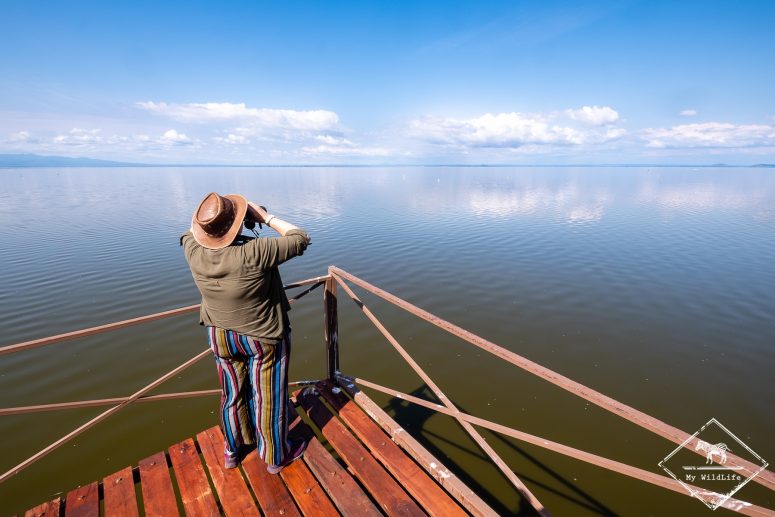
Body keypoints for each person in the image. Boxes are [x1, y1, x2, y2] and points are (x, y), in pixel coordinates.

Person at [180, 191, 311, 474]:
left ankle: (232, 449)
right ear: (236, 224)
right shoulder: (254, 252)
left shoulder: (192, 249)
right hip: (261, 336)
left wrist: (221, 223)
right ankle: (277, 456)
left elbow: (189, 233)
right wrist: (264, 217)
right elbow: (300, 237)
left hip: (220, 335)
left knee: (232, 393)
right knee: (268, 397)